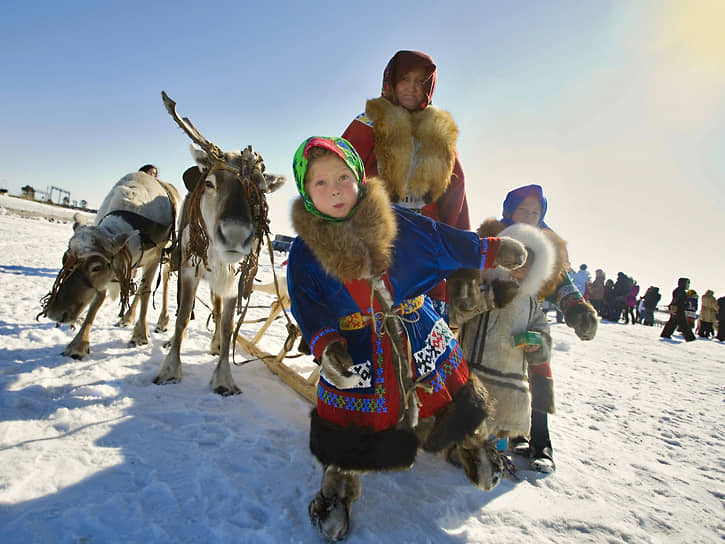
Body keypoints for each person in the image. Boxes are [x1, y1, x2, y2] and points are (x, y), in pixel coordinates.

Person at [286, 136, 527, 541]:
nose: (335, 190)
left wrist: (489, 249)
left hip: (415, 325)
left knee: (449, 393)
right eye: (320, 184)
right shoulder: (305, 250)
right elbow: (308, 303)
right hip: (356, 344)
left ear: (359, 177)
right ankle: (339, 487)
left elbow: (441, 240)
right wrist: (326, 343)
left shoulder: (392, 217)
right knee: (351, 421)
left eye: (342, 177)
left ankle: (471, 442)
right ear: (306, 193)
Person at [452, 184, 598, 473]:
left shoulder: (547, 248)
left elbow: (560, 285)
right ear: (510, 210)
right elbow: (464, 272)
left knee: (537, 374)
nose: (530, 216)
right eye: (524, 209)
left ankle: (539, 441)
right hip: (484, 322)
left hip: (524, 322)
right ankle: (472, 436)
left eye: (536, 211)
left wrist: (577, 309)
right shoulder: (490, 237)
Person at [342, 50, 468, 319]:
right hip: (373, 242)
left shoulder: (440, 136)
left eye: (420, 82)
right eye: (405, 79)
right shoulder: (369, 124)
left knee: (425, 339)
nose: (412, 87)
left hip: (425, 249)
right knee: (361, 328)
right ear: (391, 82)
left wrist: (463, 254)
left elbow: (456, 196)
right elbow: (340, 172)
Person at [456, 222, 555, 472]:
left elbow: (543, 329)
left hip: (510, 377)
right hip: (474, 372)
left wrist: (538, 342)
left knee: (500, 422)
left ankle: (496, 451)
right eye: (513, 266)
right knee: (471, 421)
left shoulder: (531, 302)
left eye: (524, 269)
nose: (516, 273)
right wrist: (488, 298)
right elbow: (456, 313)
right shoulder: (481, 286)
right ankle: (464, 449)